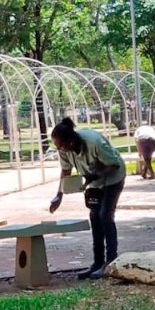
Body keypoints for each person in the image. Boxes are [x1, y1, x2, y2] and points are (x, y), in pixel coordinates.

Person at [48, 118, 126, 280]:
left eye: (61, 145)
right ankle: (97, 263)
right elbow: (66, 172)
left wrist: (96, 175)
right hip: (94, 181)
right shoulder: (64, 150)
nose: (60, 149)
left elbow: (114, 165)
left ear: (71, 140)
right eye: (58, 147)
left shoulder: (94, 142)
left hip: (112, 178)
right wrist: (59, 195)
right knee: (94, 218)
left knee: (105, 216)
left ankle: (111, 262)